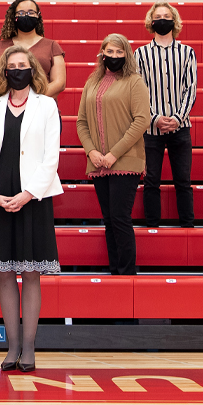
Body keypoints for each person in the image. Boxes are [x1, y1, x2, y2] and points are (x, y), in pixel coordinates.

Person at [0, 46, 63, 372]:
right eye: (11, 66)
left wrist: (27, 194)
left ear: (32, 70)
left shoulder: (47, 106)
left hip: (33, 199)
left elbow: (51, 157)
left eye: (22, 65)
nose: (17, 70)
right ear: (4, 72)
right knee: (5, 275)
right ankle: (11, 348)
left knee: (31, 274)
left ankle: (29, 349)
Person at [77, 35, 151, 275]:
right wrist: (92, 151)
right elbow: (81, 122)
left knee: (120, 218)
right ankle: (115, 273)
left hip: (126, 161)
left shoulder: (134, 81)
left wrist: (113, 154)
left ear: (127, 55)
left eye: (120, 53)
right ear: (102, 53)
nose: (115, 57)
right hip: (98, 162)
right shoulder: (92, 81)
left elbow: (141, 121)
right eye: (111, 51)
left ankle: (127, 275)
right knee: (109, 220)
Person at [134, 3, 197, 228]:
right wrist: (155, 118)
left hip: (181, 127)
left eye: (167, 16)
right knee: (151, 181)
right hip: (151, 128)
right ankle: (152, 226)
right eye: (158, 16)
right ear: (151, 22)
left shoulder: (187, 52)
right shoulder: (140, 54)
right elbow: (137, 91)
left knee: (183, 181)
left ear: (175, 21)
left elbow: (191, 88)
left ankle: (187, 226)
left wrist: (178, 118)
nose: (163, 19)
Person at [0, 0, 66, 99]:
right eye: (21, 13)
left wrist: (32, 100)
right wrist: (10, 100)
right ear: (14, 17)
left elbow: (59, 82)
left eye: (31, 12)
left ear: (38, 16)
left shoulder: (52, 46)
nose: (26, 16)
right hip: (7, 108)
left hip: (42, 110)